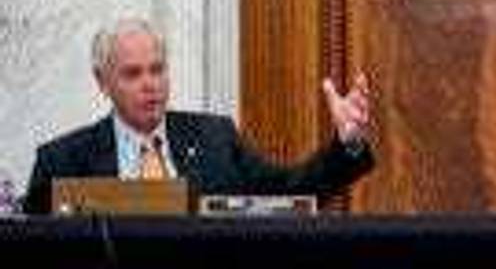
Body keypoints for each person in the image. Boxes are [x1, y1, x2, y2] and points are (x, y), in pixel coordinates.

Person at [22, 18, 374, 214]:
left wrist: (349, 144)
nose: (150, 84)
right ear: (103, 82)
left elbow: (290, 195)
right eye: (133, 74)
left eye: (157, 70)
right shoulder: (63, 159)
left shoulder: (214, 138)